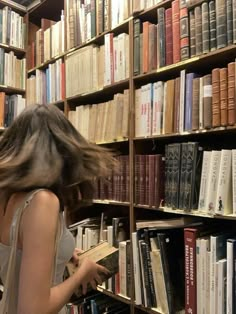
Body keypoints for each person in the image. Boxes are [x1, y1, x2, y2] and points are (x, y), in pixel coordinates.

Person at [0, 104, 116, 314]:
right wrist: (82, 273)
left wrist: (60, 252)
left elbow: (15, 253)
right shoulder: (42, 201)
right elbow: (33, 310)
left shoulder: (6, 196)